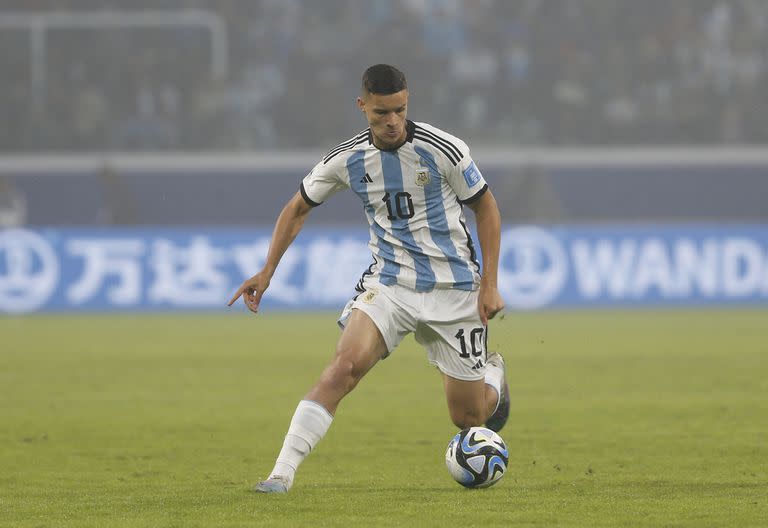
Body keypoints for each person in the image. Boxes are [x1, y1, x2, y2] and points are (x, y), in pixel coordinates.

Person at [228, 64, 509, 494]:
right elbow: (298, 207)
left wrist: (489, 283)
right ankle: (280, 476)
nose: (392, 121)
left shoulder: (444, 150)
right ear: (362, 107)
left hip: (455, 290)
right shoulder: (347, 158)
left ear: (408, 100)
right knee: (343, 368)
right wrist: (267, 271)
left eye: (399, 110)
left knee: (468, 418)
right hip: (390, 286)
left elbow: (486, 208)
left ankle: (493, 375)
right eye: (381, 113)